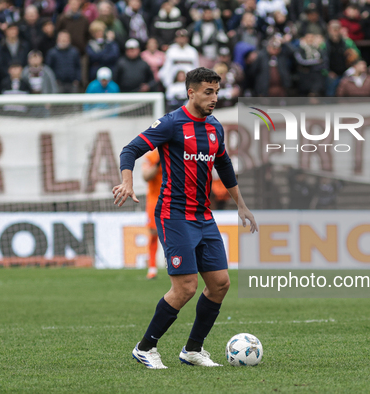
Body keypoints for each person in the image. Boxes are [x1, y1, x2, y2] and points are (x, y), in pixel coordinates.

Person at [113, 67, 257, 369]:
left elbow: (225, 167)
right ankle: (145, 348)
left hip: (203, 215)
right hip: (173, 214)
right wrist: (127, 182)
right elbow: (130, 150)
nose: (214, 98)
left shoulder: (215, 127)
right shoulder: (171, 124)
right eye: (208, 91)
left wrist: (241, 205)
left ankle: (193, 349)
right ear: (191, 92)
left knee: (220, 283)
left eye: (217, 91)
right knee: (186, 288)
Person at [140, 149, 162, 279]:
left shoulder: (177, 153)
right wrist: (159, 163)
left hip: (173, 199)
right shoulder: (151, 157)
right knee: (154, 232)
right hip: (155, 200)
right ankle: (152, 267)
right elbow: (146, 176)